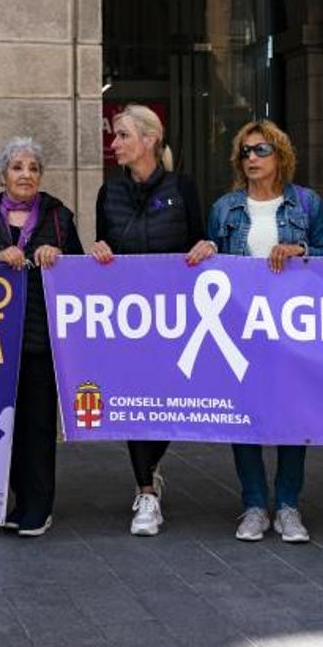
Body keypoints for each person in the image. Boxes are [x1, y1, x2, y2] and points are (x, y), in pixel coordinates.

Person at [206, 120, 323, 544]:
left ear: (281, 155)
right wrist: (205, 249)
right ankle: (255, 504)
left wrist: (302, 250)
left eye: (261, 150)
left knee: (293, 416)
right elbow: (212, 259)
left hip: (293, 330)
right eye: (245, 152)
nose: (252, 158)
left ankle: (289, 505)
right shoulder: (225, 208)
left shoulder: (307, 204)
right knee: (246, 418)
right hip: (241, 330)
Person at [91, 104, 212, 536]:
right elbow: (103, 245)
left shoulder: (182, 187)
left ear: (149, 140)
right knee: (134, 402)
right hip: (129, 318)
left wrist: (206, 248)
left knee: (168, 397)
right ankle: (146, 492)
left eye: (122, 135)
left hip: (176, 318)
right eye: (115, 135)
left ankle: (152, 466)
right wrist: (99, 252)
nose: (115, 143)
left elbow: (200, 238)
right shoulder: (110, 192)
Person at [0, 137, 84, 537]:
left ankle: (39, 505)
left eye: (33, 167)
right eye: (17, 167)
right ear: (2, 175)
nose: (26, 174)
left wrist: (57, 257)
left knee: (38, 425)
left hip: (40, 337)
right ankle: (15, 500)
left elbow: (79, 271)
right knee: (3, 426)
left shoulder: (58, 217)